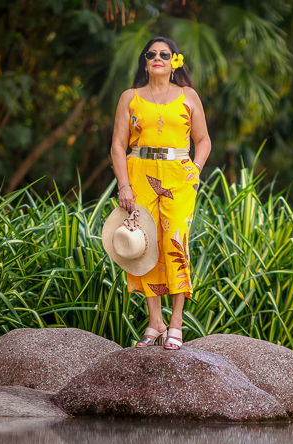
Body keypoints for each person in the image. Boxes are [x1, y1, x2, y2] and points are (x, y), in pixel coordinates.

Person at [110, 37, 211, 350]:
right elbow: (117, 145)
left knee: (175, 242)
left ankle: (176, 323)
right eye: (151, 54)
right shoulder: (130, 97)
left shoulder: (188, 97)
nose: (157, 58)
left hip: (178, 178)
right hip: (139, 174)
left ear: (174, 61)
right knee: (146, 245)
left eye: (164, 54)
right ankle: (155, 322)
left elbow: (204, 140)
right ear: (145, 61)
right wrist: (124, 185)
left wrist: (194, 170)